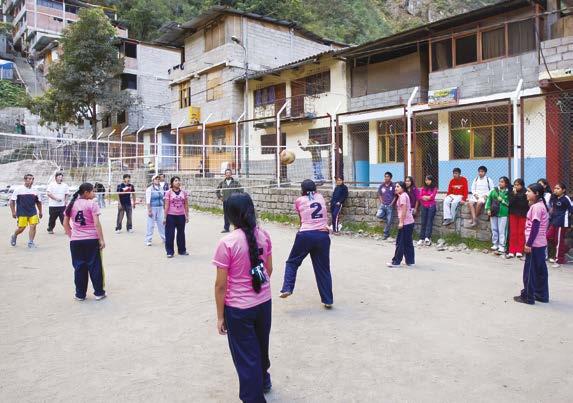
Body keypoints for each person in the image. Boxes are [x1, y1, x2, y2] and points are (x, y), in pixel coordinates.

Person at [213, 193, 273, 402]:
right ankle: (264, 380)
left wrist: (220, 316)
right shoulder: (264, 235)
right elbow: (268, 270)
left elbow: (221, 285)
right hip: (264, 302)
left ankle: (253, 398)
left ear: (230, 215)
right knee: (261, 346)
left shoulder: (227, 242)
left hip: (238, 309)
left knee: (246, 356)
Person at [280, 179, 333, 309]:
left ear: (302, 190)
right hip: (323, 235)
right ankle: (328, 300)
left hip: (306, 235)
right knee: (323, 269)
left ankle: (287, 288)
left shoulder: (299, 201)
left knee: (292, 262)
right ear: (315, 189)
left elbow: (302, 220)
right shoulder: (320, 197)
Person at [63, 183, 106, 301]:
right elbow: (96, 224)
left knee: (79, 267)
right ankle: (99, 293)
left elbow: (65, 224)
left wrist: (72, 236)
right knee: (95, 266)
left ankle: (80, 294)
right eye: (92, 191)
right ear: (86, 193)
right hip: (91, 239)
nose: (94, 193)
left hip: (76, 241)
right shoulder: (92, 204)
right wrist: (101, 239)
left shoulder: (71, 204)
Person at [514, 183, 549, 305]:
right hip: (541, 243)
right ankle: (542, 295)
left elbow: (535, 226)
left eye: (529, 191)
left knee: (529, 271)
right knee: (540, 270)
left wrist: (529, 244)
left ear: (537, 193)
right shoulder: (540, 205)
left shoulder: (537, 208)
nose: (526, 193)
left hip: (534, 243)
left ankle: (528, 297)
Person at [387, 181, 415, 268]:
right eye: (395, 186)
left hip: (406, 223)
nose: (396, 188)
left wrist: (401, 222)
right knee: (408, 242)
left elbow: (404, 210)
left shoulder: (403, 196)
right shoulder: (404, 195)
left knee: (400, 243)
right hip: (410, 222)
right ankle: (410, 262)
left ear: (402, 188)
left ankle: (396, 262)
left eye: (398, 186)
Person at [10, 174, 43, 248]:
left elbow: (38, 202)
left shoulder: (35, 190)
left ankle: (31, 242)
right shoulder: (18, 189)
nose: (31, 180)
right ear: (25, 180)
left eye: (32, 179)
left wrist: (40, 211)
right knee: (22, 228)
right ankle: (14, 235)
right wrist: (13, 212)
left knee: (33, 226)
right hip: (22, 212)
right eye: (29, 179)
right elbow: (12, 201)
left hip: (32, 212)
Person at [547, 182, 573, 268]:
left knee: (558, 241)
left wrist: (570, 223)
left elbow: (571, 210)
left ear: (563, 190)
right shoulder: (554, 197)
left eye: (558, 188)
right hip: (554, 222)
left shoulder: (566, 198)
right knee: (548, 236)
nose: (555, 190)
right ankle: (565, 249)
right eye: (555, 188)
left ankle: (559, 260)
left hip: (562, 222)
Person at [163, 176, 189, 258]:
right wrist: (165, 217)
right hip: (171, 216)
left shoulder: (184, 192)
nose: (178, 182)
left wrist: (187, 216)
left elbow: (186, 205)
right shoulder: (168, 192)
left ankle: (182, 250)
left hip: (181, 216)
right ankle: (170, 252)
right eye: (176, 181)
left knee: (181, 233)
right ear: (172, 183)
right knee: (170, 234)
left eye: (179, 181)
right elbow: (166, 205)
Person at [485, 176, 510, 254]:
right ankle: (495, 244)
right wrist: (488, 209)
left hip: (503, 213)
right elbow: (489, 200)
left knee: (502, 230)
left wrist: (502, 200)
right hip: (494, 212)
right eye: (499, 181)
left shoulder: (509, 192)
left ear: (506, 183)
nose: (500, 183)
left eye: (502, 182)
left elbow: (509, 203)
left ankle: (502, 246)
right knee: (494, 229)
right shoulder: (494, 190)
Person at [216, 169, 243, 233]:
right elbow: (217, 190)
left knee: (235, 214)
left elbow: (241, 190)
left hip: (234, 201)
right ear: (225, 174)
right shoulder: (222, 183)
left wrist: (237, 197)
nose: (228, 174)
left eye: (229, 173)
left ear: (231, 174)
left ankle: (236, 228)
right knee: (226, 215)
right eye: (227, 173)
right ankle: (226, 228)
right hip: (226, 201)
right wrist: (220, 197)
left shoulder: (235, 183)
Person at [507, 178, 529, 259]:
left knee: (521, 232)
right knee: (513, 232)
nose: (515, 186)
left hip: (522, 214)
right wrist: (514, 195)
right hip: (513, 214)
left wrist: (516, 196)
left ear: (522, 185)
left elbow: (523, 204)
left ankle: (519, 251)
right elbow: (510, 203)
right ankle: (511, 251)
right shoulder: (512, 192)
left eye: (518, 185)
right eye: (515, 185)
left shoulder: (526, 193)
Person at [145, 175, 166, 246]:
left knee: (162, 224)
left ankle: (164, 238)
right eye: (156, 179)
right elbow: (148, 201)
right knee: (150, 224)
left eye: (158, 179)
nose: (157, 180)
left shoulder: (161, 188)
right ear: (153, 180)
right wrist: (149, 210)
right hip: (153, 207)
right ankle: (148, 239)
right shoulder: (149, 189)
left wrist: (164, 208)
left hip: (160, 208)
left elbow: (163, 199)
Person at [417, 175, 438, 246]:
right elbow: (419, 196)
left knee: (429, 222)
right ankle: (421, 238)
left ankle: (427, 237)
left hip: (431, 206)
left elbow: (432, 197)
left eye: (429, 180)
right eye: (426, 180)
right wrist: (426, 197)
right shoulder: (423, 188)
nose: (427, 181)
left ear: (431, 180)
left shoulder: (434, 188)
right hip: (424, 206)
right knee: (423, 222)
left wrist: (425, 197)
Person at [376, 172, 395, 240]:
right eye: (385, 176)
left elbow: (395, 196)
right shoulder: (382, 185)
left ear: (390, 178)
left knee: (389, 221)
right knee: (378, 215)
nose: (386, 178)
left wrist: (391, 204)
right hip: (383, 205)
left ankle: (386, 234)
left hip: (390, 206)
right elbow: (379, 194)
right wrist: (381, 202)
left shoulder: (393, 186)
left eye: (387, 177)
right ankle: (387, 219)